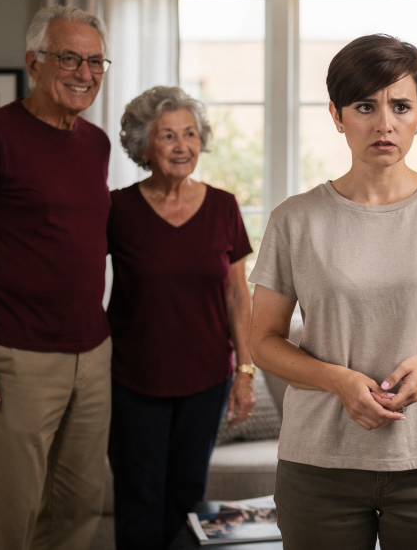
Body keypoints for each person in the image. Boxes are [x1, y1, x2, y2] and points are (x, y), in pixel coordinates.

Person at [248, 34, 417, 550]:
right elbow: (264, 341)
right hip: (319, 463)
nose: (384, 123)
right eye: (365, 106)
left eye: (400, 105)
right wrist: (336, 379)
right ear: (337, 115)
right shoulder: (294, 219)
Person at [0, 5, 114, 550]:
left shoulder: (95, 142)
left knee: (78, 510)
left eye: (96, 61)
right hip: (16, 354)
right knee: (8, 517)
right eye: (69, 58)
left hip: (92, 350)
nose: (85, 72)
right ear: (34, 62)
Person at [107, 86, 255, 549]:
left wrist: (245, 370)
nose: (182, 146)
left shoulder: (223, 207)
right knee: (139, 497)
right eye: (167, 135)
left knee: (187, 497)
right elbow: (70, 264)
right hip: (134, 378)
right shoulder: (118, 209)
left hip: (206, 379)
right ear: (142, 145)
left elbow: (237, 295)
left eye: (190, 134)